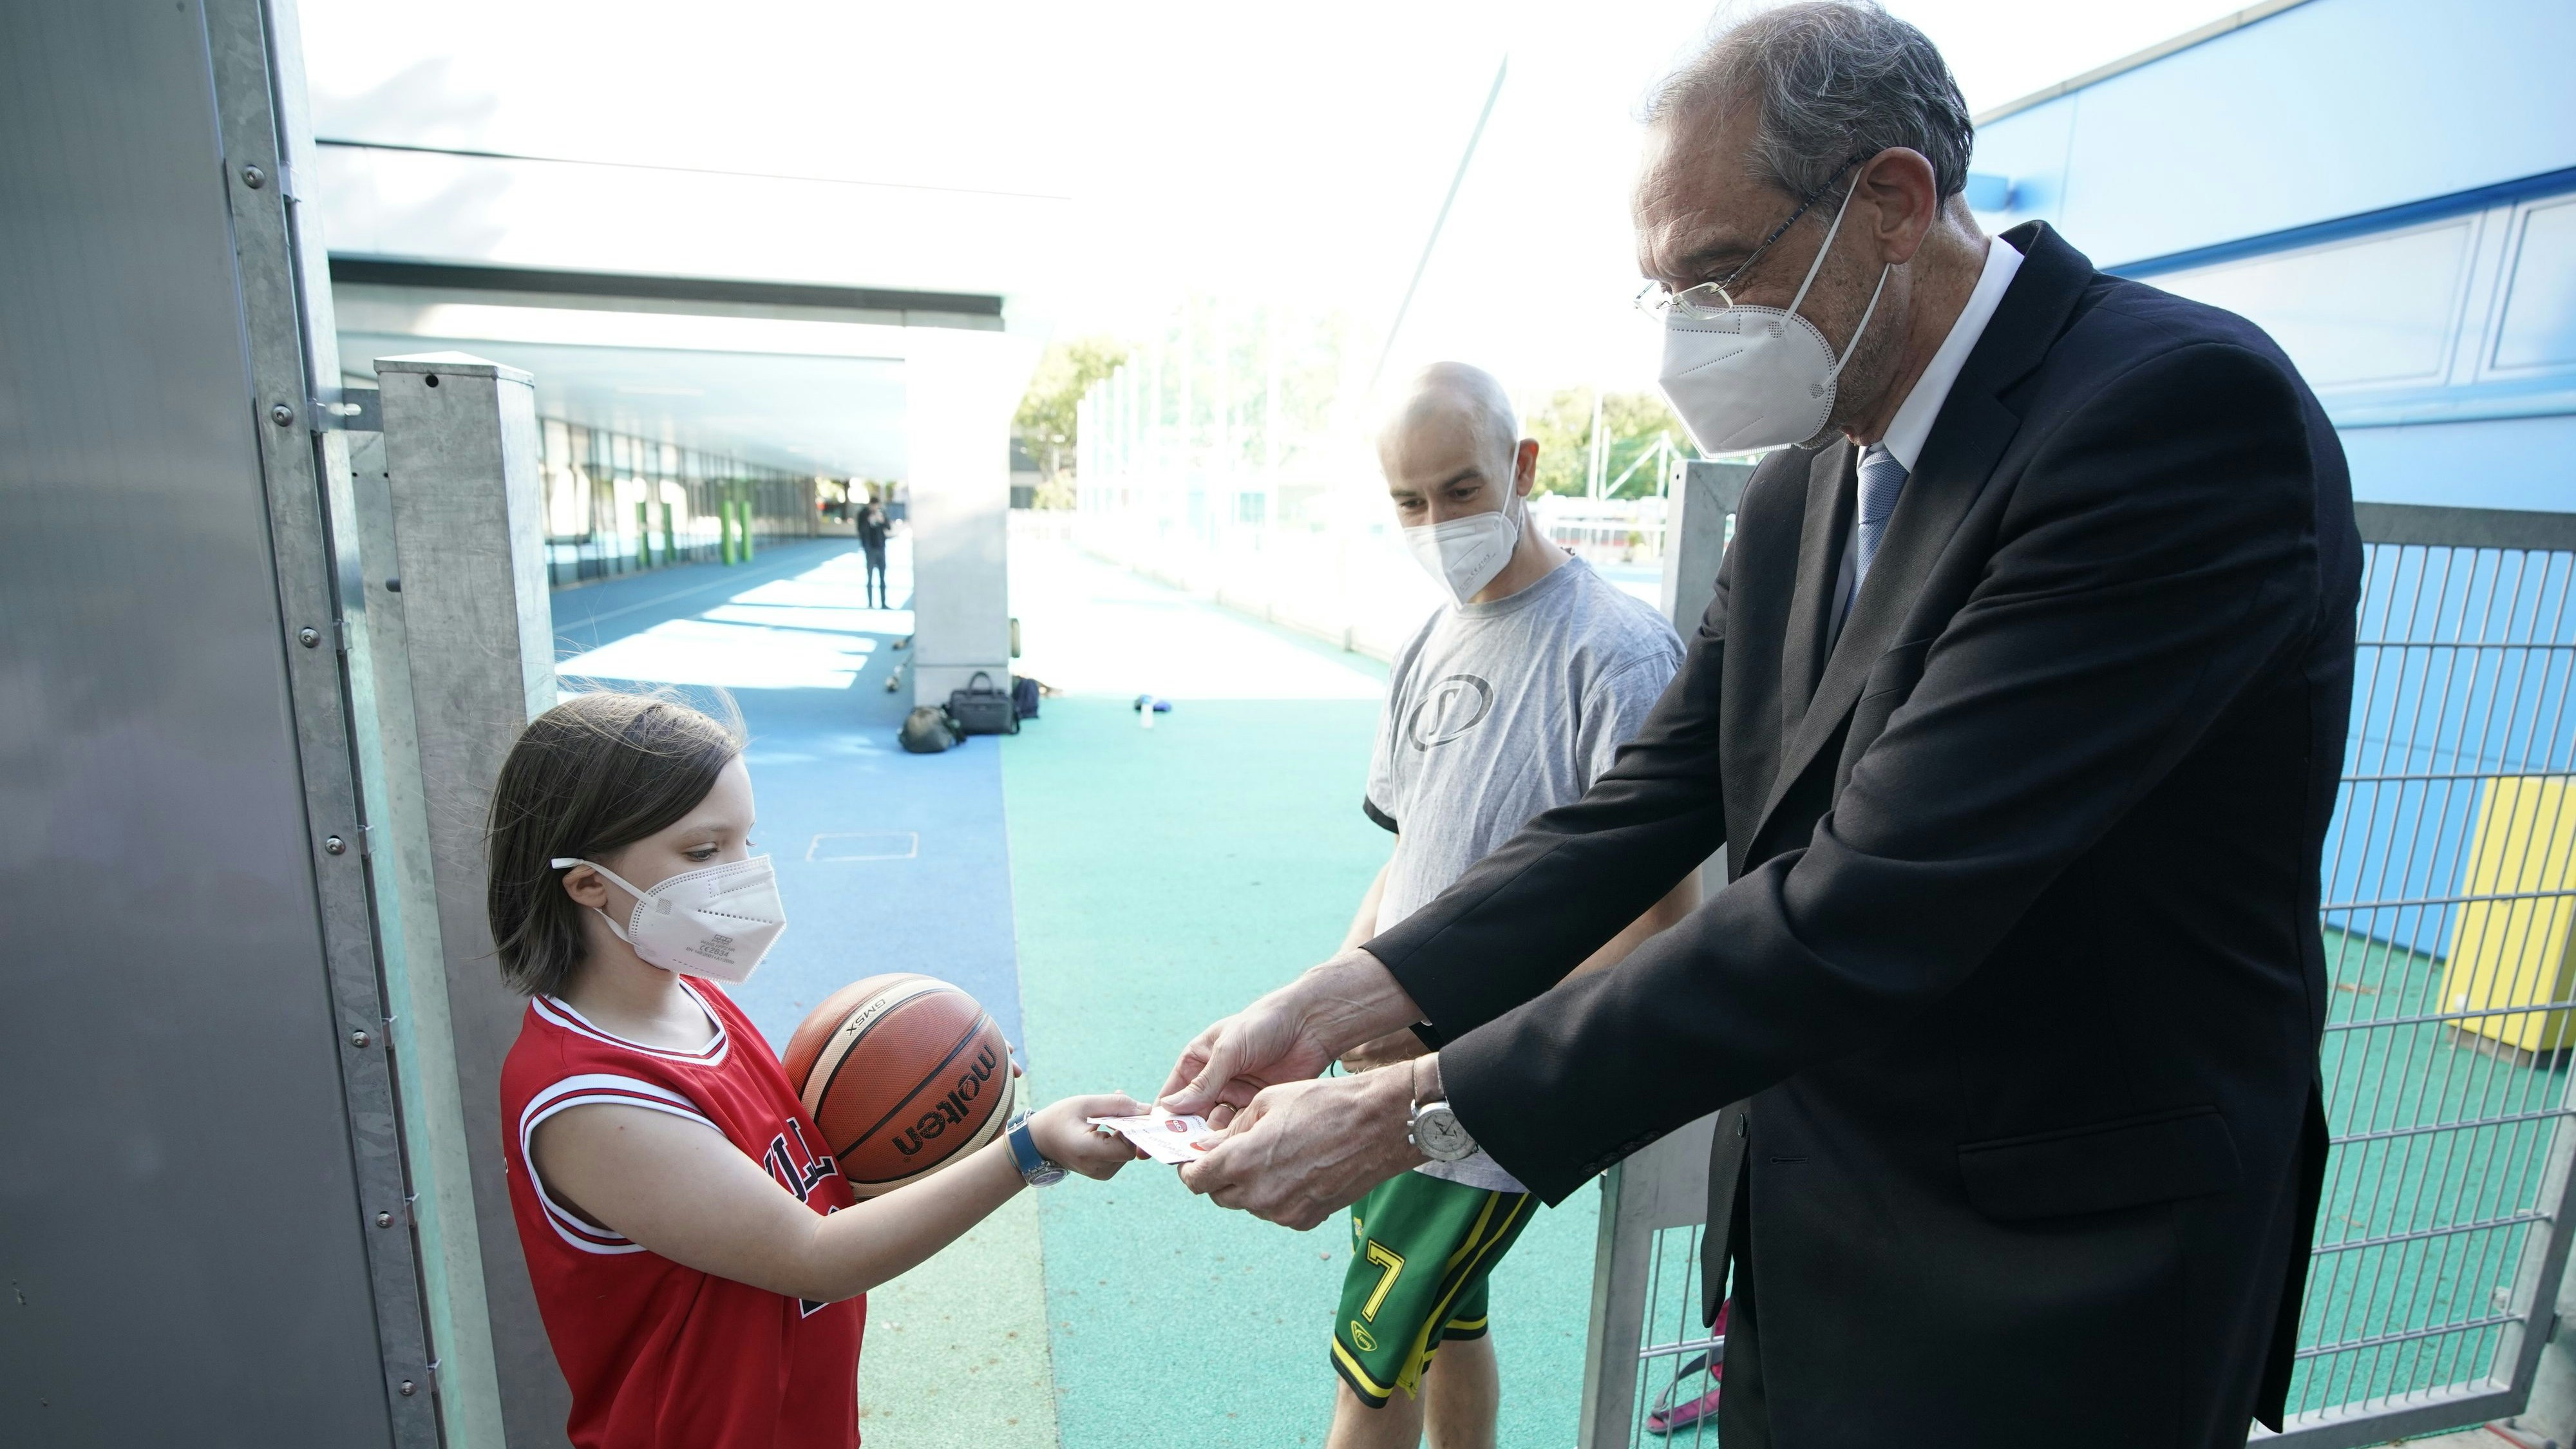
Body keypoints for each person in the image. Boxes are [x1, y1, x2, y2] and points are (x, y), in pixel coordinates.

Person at [1160, 5, 2361, 1445]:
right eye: (1659, 289)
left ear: (1893, 203)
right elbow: (1645, 802)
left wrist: (1406, 1109)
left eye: (1717, 272)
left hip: (2057, 1272)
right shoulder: (1805, 483)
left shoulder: (2167, 418)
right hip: (1808, 1224)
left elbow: (1871, 900)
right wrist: (1340, 998)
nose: (1685, 332)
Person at [487, 690, 1140, 1449]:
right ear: (588, 885)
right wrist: (1027, 1150)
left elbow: (817, 1183)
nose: (745, 873)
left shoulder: (692, 1000)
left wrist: (945, 1114)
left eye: (745, 841)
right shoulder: (590, 1100)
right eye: (704, 853)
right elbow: (813, 1256)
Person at [1323, 363, 1696, 1449]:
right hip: (1397, 1067)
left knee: (1370, 1362)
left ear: (1524, 467)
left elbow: (1661, 919)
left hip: (1489, 1092)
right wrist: (1336, 1002)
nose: (1437, 522)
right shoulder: (1429, 640)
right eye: (1410, 500)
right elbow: (1408, 857)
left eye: (1461, 489)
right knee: (1445, 1327)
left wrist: (1443, 1035)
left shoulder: (1618, 654)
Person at [857, 497, 892, 608]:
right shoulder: (863, 514)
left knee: (882, 577)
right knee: (870, 577)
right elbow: (860, 530)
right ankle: (870, 603)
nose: (875, 508)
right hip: (870, 549)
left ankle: (883, 602)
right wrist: (869, 520)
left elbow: (889, 527)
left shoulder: (882, 513)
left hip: (881, 548)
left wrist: (882, 520)